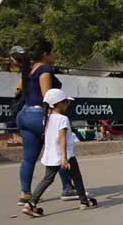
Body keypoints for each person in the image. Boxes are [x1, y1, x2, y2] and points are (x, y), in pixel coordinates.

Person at [16, 40, 78, 206]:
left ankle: (25, 193)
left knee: (28, 157)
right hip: (39, 115)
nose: (55, 55)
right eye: (53, 52)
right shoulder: (44, 69)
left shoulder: (28, 69)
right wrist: (56, 118)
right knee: (59, 150)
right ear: (45, 54)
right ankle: (67, 188)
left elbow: (17, 90)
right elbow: (48, 97)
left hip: (25, 114)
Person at [22, 89, 97, 217]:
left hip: (51, 154)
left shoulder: (47, 118)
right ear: (58, 104)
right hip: (64, 155)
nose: (67, 104)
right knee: (76, 177)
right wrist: (65, 157)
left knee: (47, 179)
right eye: (65, 102)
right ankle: (84, 202)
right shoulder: (63, 119)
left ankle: (30, 203)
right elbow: (62, 138)